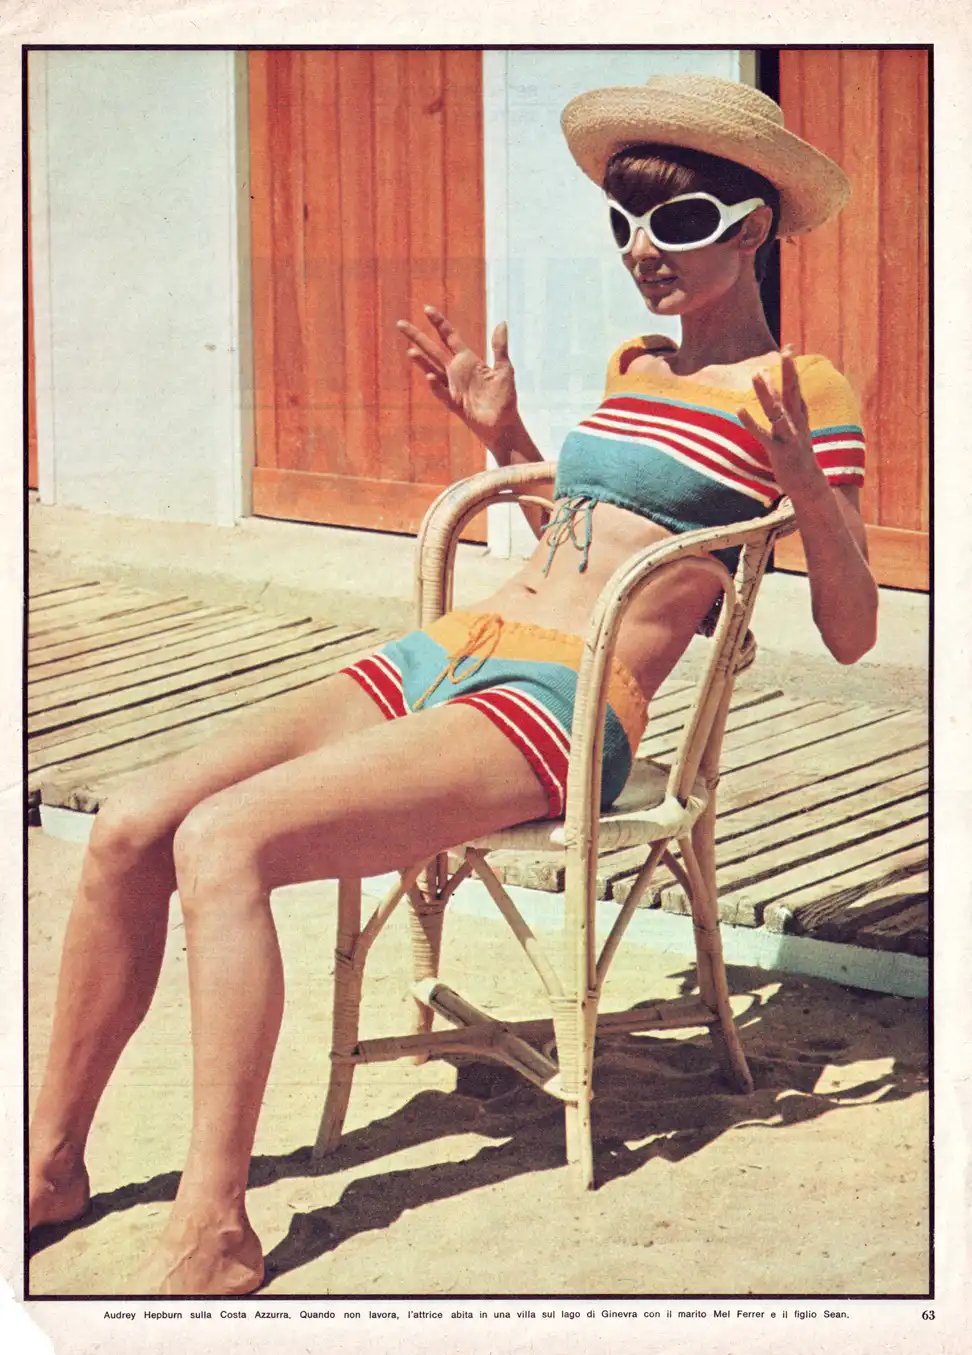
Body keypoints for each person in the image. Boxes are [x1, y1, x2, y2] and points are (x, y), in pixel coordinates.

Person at [28, 73, 878, 1296]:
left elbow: (852, 630)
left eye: (680, 221)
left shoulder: (804, 391)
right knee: (128, 822)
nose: (645, 248)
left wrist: (803, 490)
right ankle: (51, 1164)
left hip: (563, 701)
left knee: (224, 840)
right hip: (458, 645)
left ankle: (213, 1226)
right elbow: (591, 533)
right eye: (626, 223)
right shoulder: (637, 362)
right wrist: (507, 439)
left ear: (753, 229)